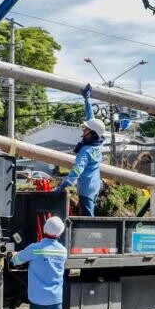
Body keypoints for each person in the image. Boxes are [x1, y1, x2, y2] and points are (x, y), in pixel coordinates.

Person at [56, 84, 105, 216]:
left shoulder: (86, 151)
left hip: (86, 189)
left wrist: (65, 184)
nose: (83, 131)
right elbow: (91, 119)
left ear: (92, 133)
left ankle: (91, 230)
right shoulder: (98, 143)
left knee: (88, 219)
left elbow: (77, 169)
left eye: (86, 130)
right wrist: (87, 100)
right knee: (88, 215)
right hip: (95, 186)